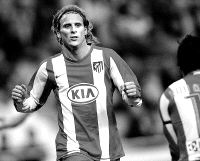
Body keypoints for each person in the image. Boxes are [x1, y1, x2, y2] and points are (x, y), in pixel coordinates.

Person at [11, 5, 142, 161]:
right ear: (58, 33)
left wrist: (133, 95)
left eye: (78, 25)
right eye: (67, 26)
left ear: (86, 30)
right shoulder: (49, 67)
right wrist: (19, 101)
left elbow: (134, 100)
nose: (73, 30)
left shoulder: (108, 57)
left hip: (109, 149)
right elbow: (30, 103)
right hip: (71, 149)